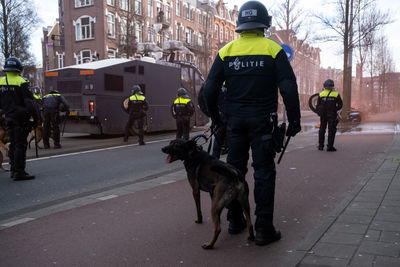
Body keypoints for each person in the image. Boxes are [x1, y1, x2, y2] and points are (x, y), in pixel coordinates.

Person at [202, 0, 301, 246]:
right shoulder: (273, 50)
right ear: (265, 24)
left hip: (234, 123)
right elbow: (288, 88)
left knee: (234, 172)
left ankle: (235, 222)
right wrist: (294, 120)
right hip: (262, 124)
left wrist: (216, 117)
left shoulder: (226, 51)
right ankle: (264, 229)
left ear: (240, 25)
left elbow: (210, 89)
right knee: (264, 173)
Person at [0, 57, 39, 180]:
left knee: (13, 143)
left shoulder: (1, 81)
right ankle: (19, 172)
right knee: (20, 145)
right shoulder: (21, 81)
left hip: (8, 118)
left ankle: (12, 169)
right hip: (21, 118)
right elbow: (29, 102)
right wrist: (36, 118)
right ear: (19, 68)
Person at [316, 79, 343, 151]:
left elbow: (317, 105)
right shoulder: (336, 94)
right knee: (331, 130)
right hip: (332, 115)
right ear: (332, 86)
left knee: (322, 129)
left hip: (323, 115)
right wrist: (335, 109)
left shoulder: (321, 94)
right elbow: (340, 105)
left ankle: (321, 146)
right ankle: (330, 146)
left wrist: (319, 112)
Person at [211, 84, 228, 159]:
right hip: (229, 115)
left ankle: (215, 159)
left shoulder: (216, 87)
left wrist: (213, 117)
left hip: (220, 115)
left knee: (218, 138)